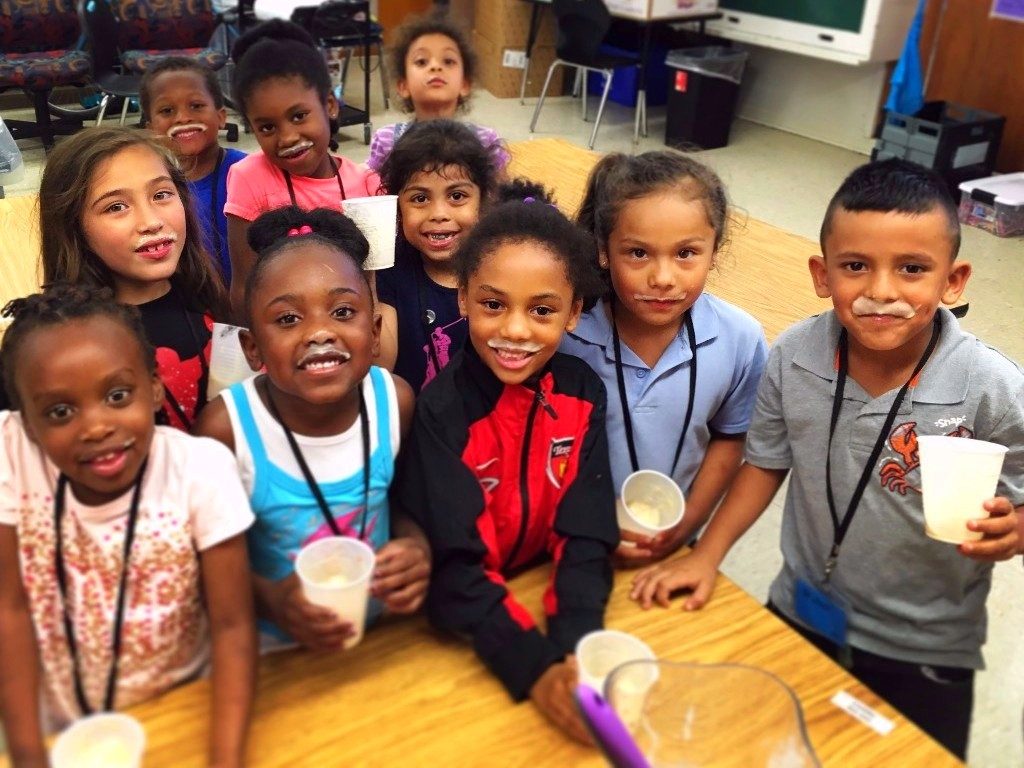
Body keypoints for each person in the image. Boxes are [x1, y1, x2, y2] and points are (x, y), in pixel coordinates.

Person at [630, 158, 1024, 759]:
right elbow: (764, 462)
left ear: (954, 280)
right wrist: (707, 556)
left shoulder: (993, 388)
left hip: (926, 645)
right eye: (856, 266)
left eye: (913, 269)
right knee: (765, 747)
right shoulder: (793, 355)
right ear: (821, 274)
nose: (881, 291)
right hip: (802, 608)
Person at [393, 181, 617, 743]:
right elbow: (452, 569)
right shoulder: (442, 412)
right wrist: (534, 668)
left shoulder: (583, 392)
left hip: (546, 598)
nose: (515, 330)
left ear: (574, 313)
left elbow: (586, 532)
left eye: (542, 310)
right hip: (477, 633)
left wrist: (574, 646)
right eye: (493, 304)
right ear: (464, 298)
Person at [0, 283, 255, 767]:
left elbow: (232, 626)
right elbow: (8, 610)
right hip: (65, 732)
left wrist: (225, 760)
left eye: (118, 395)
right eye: (59, 412)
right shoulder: (11, 455)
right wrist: (29, 753)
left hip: (182, 711)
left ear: (154, 386)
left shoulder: (199, 470)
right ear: (27, 423)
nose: (96, 426)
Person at [194, 206, 430, 651]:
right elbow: (208, 557)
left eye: (343, 312)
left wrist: (417, 548)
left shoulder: (393, 402)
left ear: (375, 331)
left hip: (380, 638)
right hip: (279, 651)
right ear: (253, 349)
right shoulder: (226, 430)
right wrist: (271, 599)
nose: (320, 333)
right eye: (287, 319)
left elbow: (402, 501)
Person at [566, 151, 767, 566]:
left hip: (671, 539)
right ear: (603, 251)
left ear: (715, 250)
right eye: (638, 253)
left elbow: (731, 438)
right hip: (567, 536)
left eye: (686, 253)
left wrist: (689, 521)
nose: (662, 278)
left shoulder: (739, 339)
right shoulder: (566, 333)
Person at [38, 127, 227, 432]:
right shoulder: (60, 349)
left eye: (161, 195)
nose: (151, 222)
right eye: (116, 207)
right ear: (75, 229)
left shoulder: (212, 302)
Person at [224, 19, 380, 318]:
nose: (287, 138)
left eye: (298, 116)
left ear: (331, 105)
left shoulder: (366, 182)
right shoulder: (249, 178)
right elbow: (244, 286)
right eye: (267, 127)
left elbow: (377, 282)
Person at [376, 119, 497, 393]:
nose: (438, 213)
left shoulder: (501, 266)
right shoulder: (389, 271)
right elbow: (379, 365)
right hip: (414, 423)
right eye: (419, 199)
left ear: (484, 200)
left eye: (456, 196)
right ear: (397, 207)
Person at [140, 56, 247, 283]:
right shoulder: (145, 183)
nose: (183, 118)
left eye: (196, 106)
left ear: (221, 118)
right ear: (150, 129)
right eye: (167, 111)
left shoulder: (246, 172)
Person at [366, 10, 508, 175]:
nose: (435, 66)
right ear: (403, 86)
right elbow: (372, 191)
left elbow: (502, 194)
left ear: (464, 84)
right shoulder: (387, 140)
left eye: (448, 61)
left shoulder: (486, 141)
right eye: (421, 61)